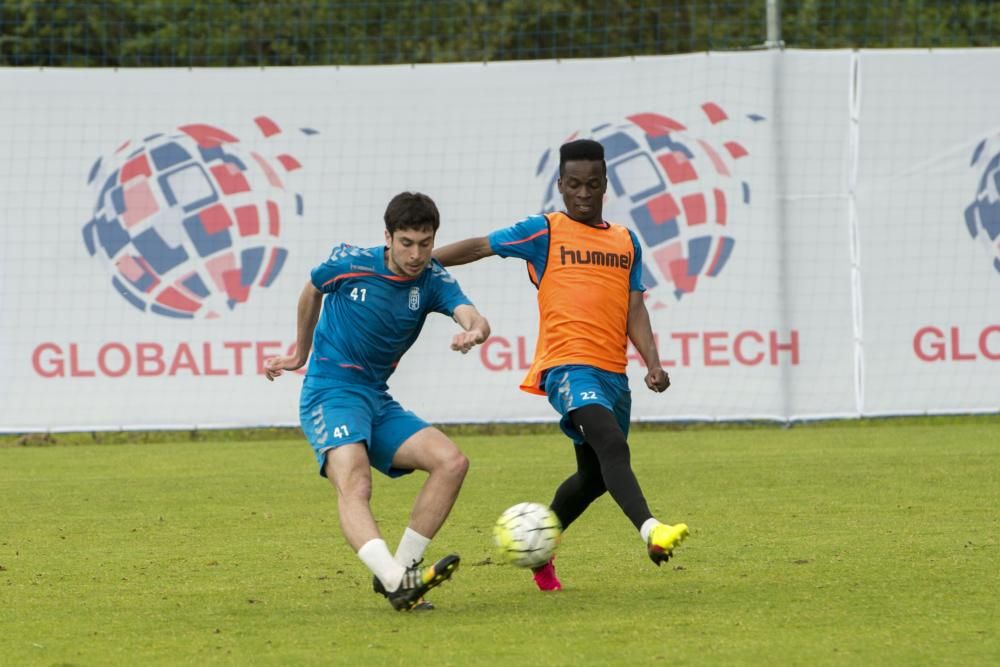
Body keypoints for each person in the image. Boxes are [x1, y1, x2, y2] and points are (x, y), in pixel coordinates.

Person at [433, 139, 689, 592]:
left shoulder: (625, 240)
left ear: (606, 185)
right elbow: (477, 247)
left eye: (592, 184)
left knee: (594, 478)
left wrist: (652, 362)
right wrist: (408, 263)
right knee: (612, 444)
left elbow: (635, 310)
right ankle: (652, 531)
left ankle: (539, 548)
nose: (583, 194)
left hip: (613, 375)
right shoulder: (544, 231)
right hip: (567, 367)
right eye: (574, 185)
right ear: (560, 185)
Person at [265, 191, 491, 611]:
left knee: (451, 462)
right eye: (406, 242)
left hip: (376, 398)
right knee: (355, 482)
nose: (416, 254)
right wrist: (300, 352)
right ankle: (393, 579)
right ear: (387, 237)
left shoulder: (433, 279)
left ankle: (402, 572)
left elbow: (473, 315)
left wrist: (475, 331)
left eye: (425, 243)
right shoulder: (350, 263)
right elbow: (312, 288)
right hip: (330, 390)